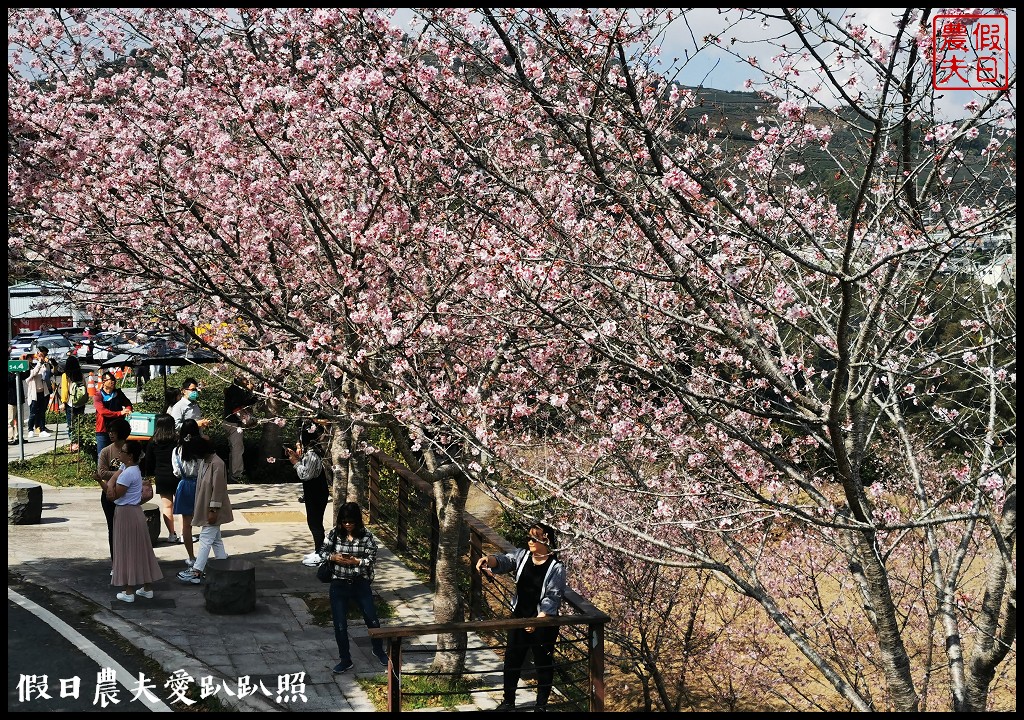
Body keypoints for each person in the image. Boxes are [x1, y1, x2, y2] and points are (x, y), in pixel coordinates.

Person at [476, 522, 567, 712]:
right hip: (519, 616)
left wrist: (539, 620)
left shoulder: (556, 567)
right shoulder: (523, 555)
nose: (530, 541)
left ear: (546, 539)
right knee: (512, 659)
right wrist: (488, 559)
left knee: (543, 662)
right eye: (529, 537)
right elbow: (505, 560)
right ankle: (508, 701)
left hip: (544, 621)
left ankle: (541, 704)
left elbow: (553, 595)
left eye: (534, 538)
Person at [318, 501, 389, 673]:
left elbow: (371, 558)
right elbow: (321, 552)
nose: (347, 525)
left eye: (351, 522)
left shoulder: (366, 536)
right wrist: (333, 557)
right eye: (344, 522)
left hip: (359, 582)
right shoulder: (334, 534)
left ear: (357, 521)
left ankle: (378, 650)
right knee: (340, 624)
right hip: (338, 583)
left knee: (372, 619)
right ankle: (345, 659)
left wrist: (356, 561)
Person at [108, 439, 162, 602]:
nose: (119, 454)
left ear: (130, 456)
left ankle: (129, 591)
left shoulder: (128, 473)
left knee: (127, 550)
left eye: (123, 452)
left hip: (126, 514)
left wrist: (103, 483)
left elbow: (114, 494)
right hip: (135, 512)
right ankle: (147, 587)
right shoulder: (131, 469)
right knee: (140, 550)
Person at [177, 431, 232, 585]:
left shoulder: (217, 463)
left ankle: (196, 571)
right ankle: (223, 568)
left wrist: (213, 510)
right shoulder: (205, 462)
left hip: (213, 509)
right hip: (207, 506)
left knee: (206, 539)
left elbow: (218, 489)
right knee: (215, 540)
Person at [287, 423, 329, 567]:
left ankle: (320, 554)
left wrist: (295, 463)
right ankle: (318, 550)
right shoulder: (311, 452)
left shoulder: (312, 455)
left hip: (317, 494)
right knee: (314, 522)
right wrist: (298, 459)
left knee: (315, 523)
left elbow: (305, 475)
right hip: (314, 493)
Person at [95, 417, 133, 564]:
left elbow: (137, 470)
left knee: (128, 530)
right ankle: (115, 561)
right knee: (113, 528)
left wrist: (121, 473)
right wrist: (123, 472)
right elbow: (102, 473)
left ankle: (129, 560)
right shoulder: (106, 451)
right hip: (109, 493)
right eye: (109, 431)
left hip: (128, 494)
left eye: (114, 432)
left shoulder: (132, 449)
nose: (110, 434)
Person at [170, 419, 204, 570]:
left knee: (186, 526)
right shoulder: (202, 449)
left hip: (184, 485)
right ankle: (204, 558)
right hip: (201, 486)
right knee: (207, 524)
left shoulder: (177, 450)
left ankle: (191, 557)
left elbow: (176, 471)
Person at [143, 413, 180, 543]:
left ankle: (172, 534)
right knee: (182, 506)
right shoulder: (177, 440)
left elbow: (148, 461)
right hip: (178, 476)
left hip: (162, 476)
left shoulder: (153, 441)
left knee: (167, 506)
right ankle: (185, 533)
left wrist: (149, 474)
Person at [223, 374, 257, 482]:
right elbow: (242, 404)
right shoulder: (236, 391)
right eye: (245, 379)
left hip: (230, 422)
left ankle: (233, 473)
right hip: (233, 423)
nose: (247, 381)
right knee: (237, 449)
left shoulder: (234, 390)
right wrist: (252, 395)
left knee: (234, 449)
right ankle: (236, 474)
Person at [94, 371, 133, 458]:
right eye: (110, 380)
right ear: (104, 382)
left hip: (118, 429)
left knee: (119, 455)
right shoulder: (98, 395)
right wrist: (120, 413)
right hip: (103, 430)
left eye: (114, 379)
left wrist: (128, 410)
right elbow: (103, 412)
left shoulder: (118, 393)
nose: (113, 382)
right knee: (102, 456)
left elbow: (128, 404)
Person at [25, 346, 53, 438]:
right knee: (33, 412)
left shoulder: (41, 364)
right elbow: (32, 374)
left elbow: (46, 373)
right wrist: (39, 363)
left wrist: (46, 363)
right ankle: (30, 429)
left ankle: (42, 429)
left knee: (42, 412)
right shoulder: (30, 366)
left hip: (43, 391)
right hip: (34, 393)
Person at [59, 354, 86, 447]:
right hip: (81, 402)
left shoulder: (65, 376)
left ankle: (74, 443)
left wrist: (63, 402)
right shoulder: (81, 375)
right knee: (80, 422)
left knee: (71, 423)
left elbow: (65, 390)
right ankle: (80, 441)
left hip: (71, 403)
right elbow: (85, 387)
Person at [8, 370, 22, 445]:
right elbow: (9, 380)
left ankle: (18, 437)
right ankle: (10, 438)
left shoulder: (19, 372)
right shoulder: (10, 374)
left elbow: (26, 375)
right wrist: (15, 374)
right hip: (10, 400)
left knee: (20, 420)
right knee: (10, 420)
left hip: (19, 399)